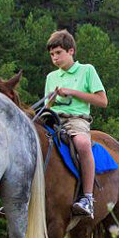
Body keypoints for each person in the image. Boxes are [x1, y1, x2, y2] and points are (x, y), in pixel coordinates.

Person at [42, 29, 107, 216]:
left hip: (76, 120)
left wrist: (73, 92)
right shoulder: (51, 77)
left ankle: (87, 198)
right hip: (52, 119)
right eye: (52, 54)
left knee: (83, 143)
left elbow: (102, 101)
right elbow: (47, 105)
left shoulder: (87, 70)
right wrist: (52, 98)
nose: (55, 58)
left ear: (71, 51)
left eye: (58, 53)